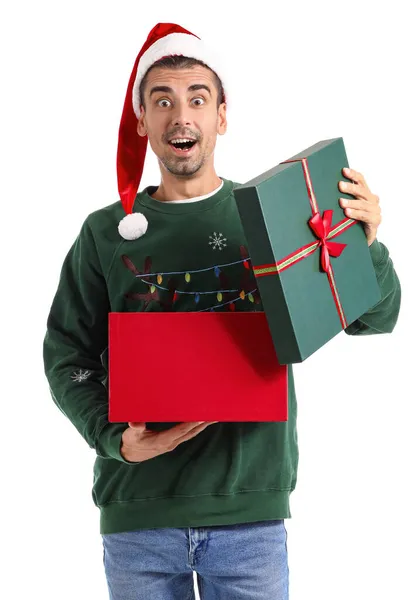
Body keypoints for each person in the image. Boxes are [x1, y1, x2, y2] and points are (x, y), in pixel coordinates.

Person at [43, 22, 401, 600]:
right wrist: (115, 439)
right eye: (162, 100)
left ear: (222, 116)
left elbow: (374, 317)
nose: (180, 114)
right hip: (137, 519)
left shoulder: (276, 217)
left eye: (197, 98)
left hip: (251, 522)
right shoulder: (105, 234)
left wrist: (367, 243)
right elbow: (67, 356)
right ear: (142, 121)